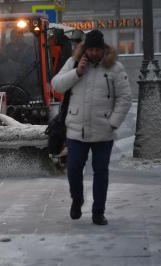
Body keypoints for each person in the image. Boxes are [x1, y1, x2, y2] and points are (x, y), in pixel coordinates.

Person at [51, 30, 131, 225]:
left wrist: (113, 123)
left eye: (97, 49)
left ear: (103, 49)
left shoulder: (115, 68)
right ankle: (77, 200)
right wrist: (77, 73)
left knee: (101, 172)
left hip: (104, 132)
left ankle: (98, 212)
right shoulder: (74, 63)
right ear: (85, 49)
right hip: (76, 130)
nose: (94, 53)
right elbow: (56, 85)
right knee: (74, 169)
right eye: (91, 49)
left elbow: (125, 98)